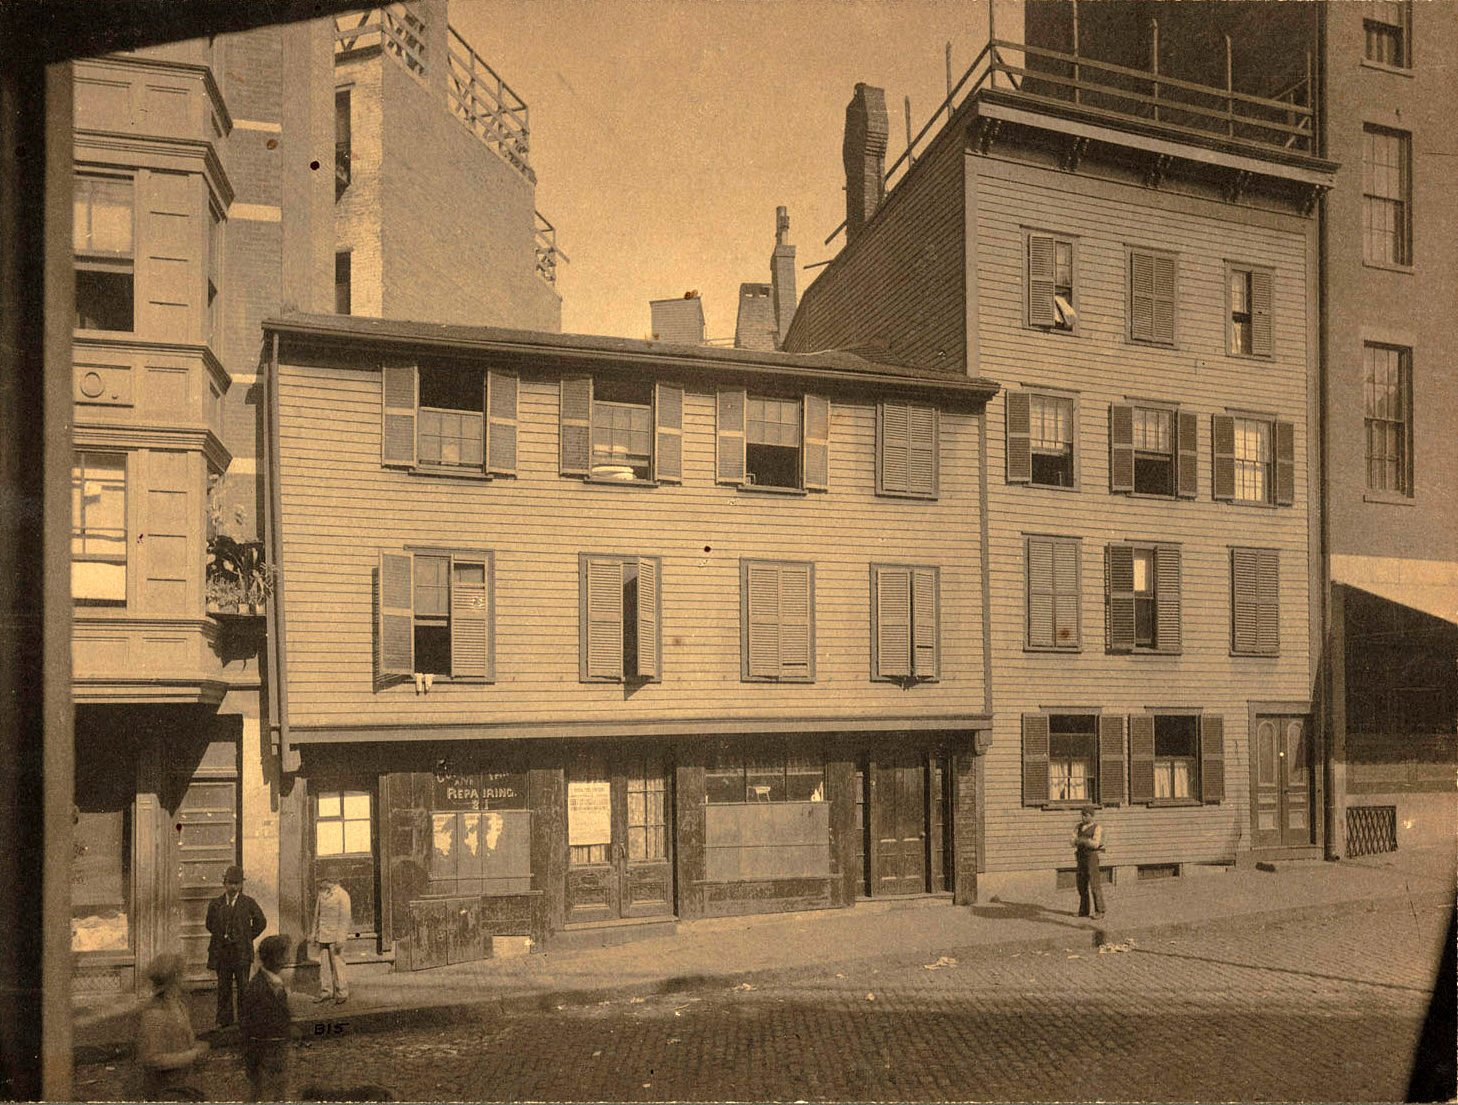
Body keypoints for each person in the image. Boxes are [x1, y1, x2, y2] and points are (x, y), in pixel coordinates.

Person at [136, 953, 209, 1101]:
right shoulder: (154, 1013)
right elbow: (152, 1059)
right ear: (174, 978)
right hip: (163, 1091)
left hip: (181, 1084)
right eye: (183, 974)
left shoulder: (179, 1004)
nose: (186, 977)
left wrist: (194, 1048)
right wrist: (192, 1055)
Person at [205, 865, 267, 1029]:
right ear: (224, 883)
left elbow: (261, 922)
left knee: (243, 987)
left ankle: (244, 1020)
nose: (233, 887)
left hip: (241, 953)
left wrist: (246, 937)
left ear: (241, 885)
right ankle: (224, 1020)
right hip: (223, 953)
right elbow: (209, 924)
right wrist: (222, 937)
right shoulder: (216, 904)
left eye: (237, 883)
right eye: (230, 883)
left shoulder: (248, 903)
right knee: (223, 987)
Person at [241, 934, 294, 1103]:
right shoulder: (257, 987)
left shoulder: (274, 982)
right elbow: (251, 1024)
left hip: (276, 1050)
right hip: (264, 1052)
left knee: (278, 1089)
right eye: (286, 954)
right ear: (276, 958)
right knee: (262, 1092)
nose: (288, 958)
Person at [312, 876, 352, 1004]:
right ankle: (326, 992)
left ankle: (342, 993)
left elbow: (345, 919)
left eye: (325, 880)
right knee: (324, 966)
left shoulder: (342, 895)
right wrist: (314, 933)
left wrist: (341, 938)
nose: (323, 883)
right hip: (323, 935)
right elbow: (316, 915)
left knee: (338, 964)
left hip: (335, 937)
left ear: (332, 882)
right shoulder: (322, 894)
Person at [1072, 804, 1106, 920]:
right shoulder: (1078, 827)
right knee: (1081, 884)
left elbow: (1095, 843)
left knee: (1094, 884)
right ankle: (1084, 910)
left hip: (1091, 857)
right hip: (1081, 857)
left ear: (1091, 816)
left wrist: (1082, 841)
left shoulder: (1097, 828)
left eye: (1085, 816)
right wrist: (1082, 841)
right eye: (1082, 815)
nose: (1083, 818)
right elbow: (1072, 841)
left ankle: (1100, 910)